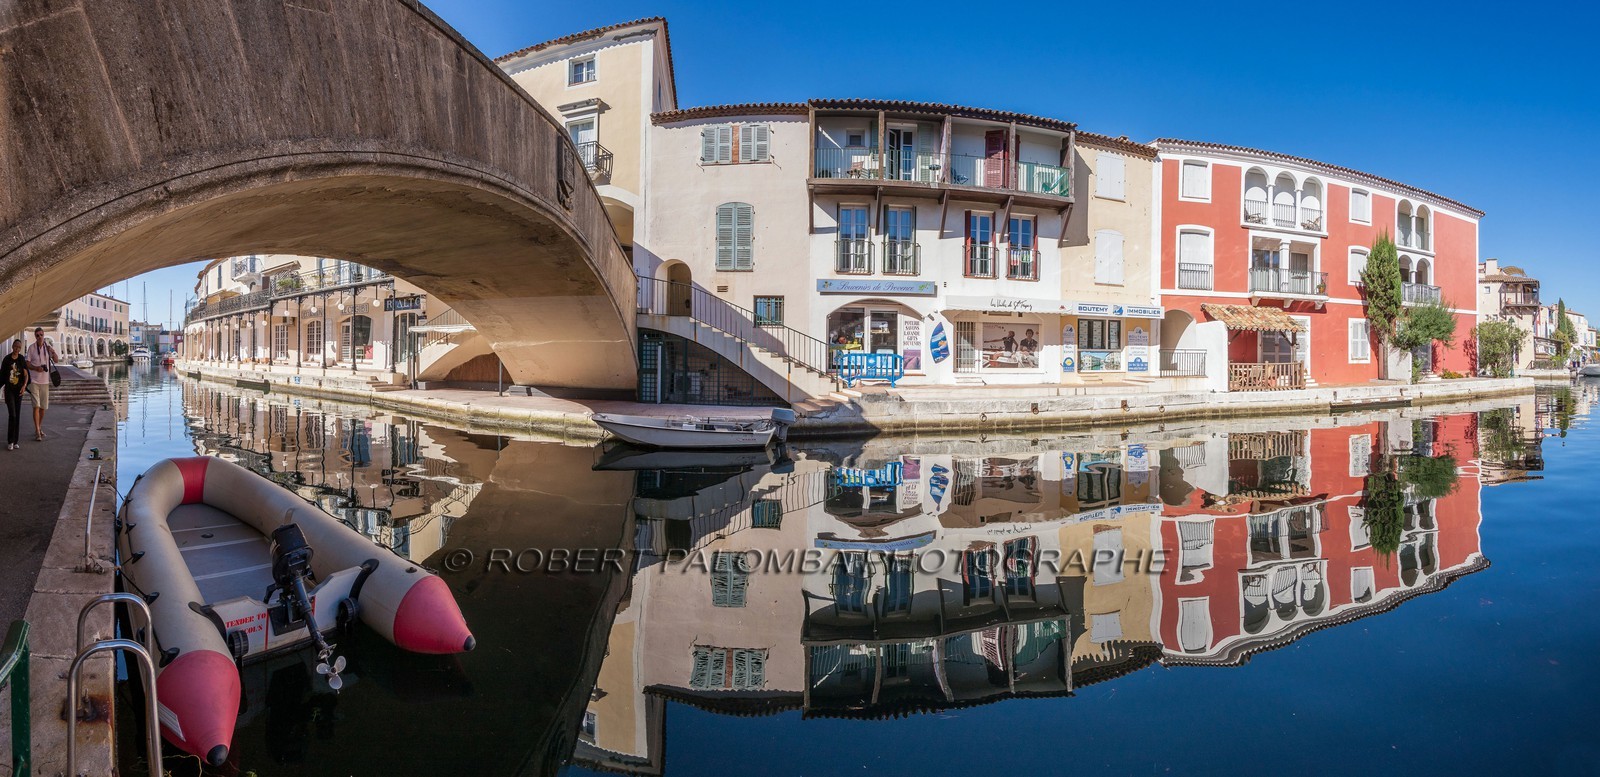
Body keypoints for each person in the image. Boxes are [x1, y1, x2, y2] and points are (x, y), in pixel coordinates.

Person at [25, 328, 58, 442]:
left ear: (44, 335)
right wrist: (36, 368)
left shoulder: (47, 348)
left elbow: (56, 360)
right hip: (34, 381)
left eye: (41, 335)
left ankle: (39, 427)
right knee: (36, 406)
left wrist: (53, 352)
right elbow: (27, 363)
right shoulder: (31, 348)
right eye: (37, 335)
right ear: (35, 336)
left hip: (45, 382)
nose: (39, 337)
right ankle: (38, 431)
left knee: (43, 408)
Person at [2, 339, 27, 450]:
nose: (17, 349)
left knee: (17, 414)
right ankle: (10, 441)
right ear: (12, 346)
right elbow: (2, 375)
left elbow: (26, 374)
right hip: (9, 391)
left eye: (19, 347)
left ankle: (16, 441)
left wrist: (24, 386)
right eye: (15, 346)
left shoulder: (21, 359)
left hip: (19, 391)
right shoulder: (7, 359)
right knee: (12, 414)